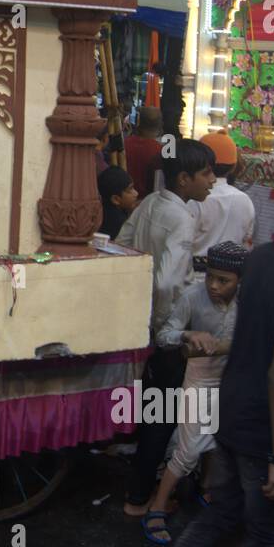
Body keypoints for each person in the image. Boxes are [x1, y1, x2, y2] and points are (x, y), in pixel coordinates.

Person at [114, 166, 274, 547]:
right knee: (264, 534)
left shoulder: (261, 262)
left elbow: (245, 344)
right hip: (268, 427)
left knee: (219, 517)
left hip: (236, 414)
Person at [116, 139, 216, 514]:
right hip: (164, 328)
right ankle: (139, 499)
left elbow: (122, 247)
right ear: (184, 178)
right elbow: (167, 282)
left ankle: (140, 485)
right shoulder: (181, 217)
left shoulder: (150, 203)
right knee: (162, 413)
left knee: (152, 409)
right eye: (206, 173)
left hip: (142, 321)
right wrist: (167, 328)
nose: (212, 180)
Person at [143, 241, 246, 543]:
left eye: (223, 280)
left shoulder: (249, 300)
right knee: (188, 451)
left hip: (231, 377)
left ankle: (206, 489)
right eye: (210, 276)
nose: (213, 285)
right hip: (199, 376)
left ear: (240, 280)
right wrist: (188, 333)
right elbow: (163, 336)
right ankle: (157, 506)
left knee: (217, 440)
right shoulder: (193, 295)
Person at [189, 130, 254, 254]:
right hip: (231, 271)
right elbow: (247, 243)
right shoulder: (245, 200)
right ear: (233, 166)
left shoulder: (195, 198)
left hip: (192, 271)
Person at [123, 106, 163, 198]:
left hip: (124, 200)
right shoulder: (160, 151)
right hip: (147, 202)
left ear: (138, 122)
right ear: (160, 125)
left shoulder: (124, 144)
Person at [98, 166, 138, 240]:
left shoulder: (101, 213)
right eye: (130, 189)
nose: (136, 193)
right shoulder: (118, 223)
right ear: (115, 199)